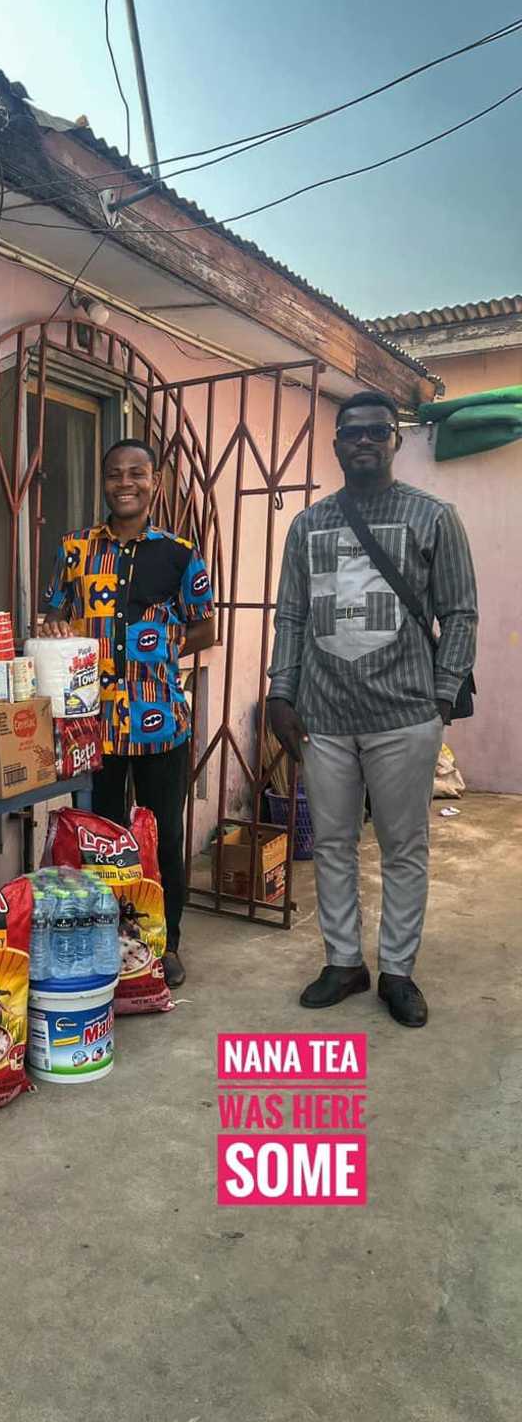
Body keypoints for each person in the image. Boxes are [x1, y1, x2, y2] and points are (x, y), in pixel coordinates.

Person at [268, 391, 478, 1028]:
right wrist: (281, 690)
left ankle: (397, 970)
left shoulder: (433, 517)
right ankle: (343, 963)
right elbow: (294, 615)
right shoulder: (308, 525)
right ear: (335, 445)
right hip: (324, 715)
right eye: (351, 432)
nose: (364, 440)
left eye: (377, 431)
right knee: (332, 844)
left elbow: (461, 612)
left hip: (404, 715)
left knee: (402, 846)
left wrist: (441, 695)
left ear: (395, 440)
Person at [39, 439, 215, 987]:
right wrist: (55, 629)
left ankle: (168, 944)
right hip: (93, 727)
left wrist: (157, 652)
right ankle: (106, 944)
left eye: (136, 473)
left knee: (162, 839)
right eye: (114, 473)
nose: (125, 482)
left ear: (154, 483)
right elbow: (52, 618)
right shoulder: (74, 549)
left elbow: (205, 625)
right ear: (104, 482)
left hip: (160, 718)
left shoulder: (181, 553)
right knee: (100, 840)